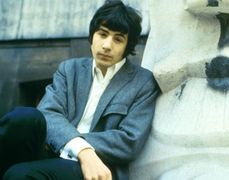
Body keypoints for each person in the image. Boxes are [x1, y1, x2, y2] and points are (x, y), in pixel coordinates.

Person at [0, 1, 160, 179]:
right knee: (22, 118)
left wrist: (80, 148)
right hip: (54, 152)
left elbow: (129, 141)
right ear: (92, 37)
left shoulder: (143, 82)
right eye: (103, 34)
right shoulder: (70, 70)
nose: (107, 45)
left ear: (128, 46)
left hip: (97, 168)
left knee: (20, 174)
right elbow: (48, 112)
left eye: (118, 39)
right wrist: (81, 149)